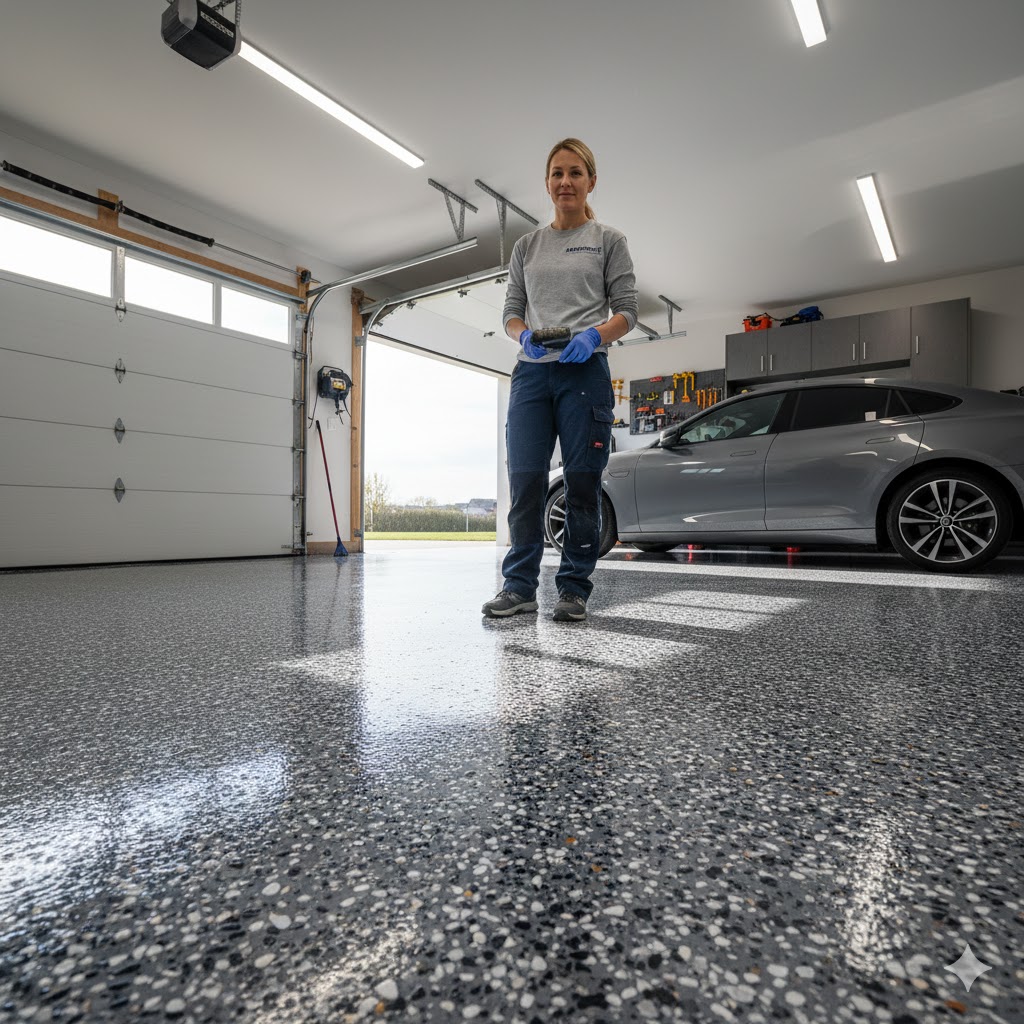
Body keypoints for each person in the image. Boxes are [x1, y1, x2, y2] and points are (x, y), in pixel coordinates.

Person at [482, 138, 638, 622]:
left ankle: (573, 590)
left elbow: (627, 312)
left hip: (584, 374)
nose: (565, 182)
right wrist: (522, 335)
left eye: (574, 173)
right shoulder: (527, 245)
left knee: (581, 484)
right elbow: (510, 311)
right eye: (556, 174)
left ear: (591, 181)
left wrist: (593, 337)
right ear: (546, 183)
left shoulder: (608, 240)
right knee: (525, 482)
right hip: (532, 376)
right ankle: (519, 587)